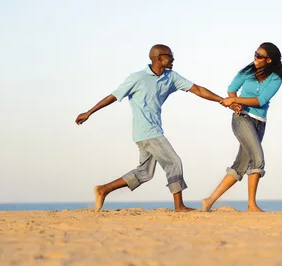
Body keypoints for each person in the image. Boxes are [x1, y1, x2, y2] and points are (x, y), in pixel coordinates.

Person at [75, 44, 228, 212]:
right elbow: (113, 96)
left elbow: (197, 89)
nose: (173, 59)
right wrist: (89, 112)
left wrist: (222, 100)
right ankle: (179, 206)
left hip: (150, 132)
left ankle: (103, 189)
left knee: (145, 172)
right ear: (158, 58)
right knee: (173, 161)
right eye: (170, 56)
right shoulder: (137, 78)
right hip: (148, 132)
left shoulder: (171, 77)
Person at [201, 42, 282, 212]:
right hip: (242, 118)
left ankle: (209, 201)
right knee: (257, 157)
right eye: (255, 53)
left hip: (259, 122)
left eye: (260, 56)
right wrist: (234, 105)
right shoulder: (247, 71)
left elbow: (260, 100)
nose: (255, 58)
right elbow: (231, 89)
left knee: (241, 165)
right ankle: (251, 205)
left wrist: (235, 100)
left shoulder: (276, 77)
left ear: (269, 60)